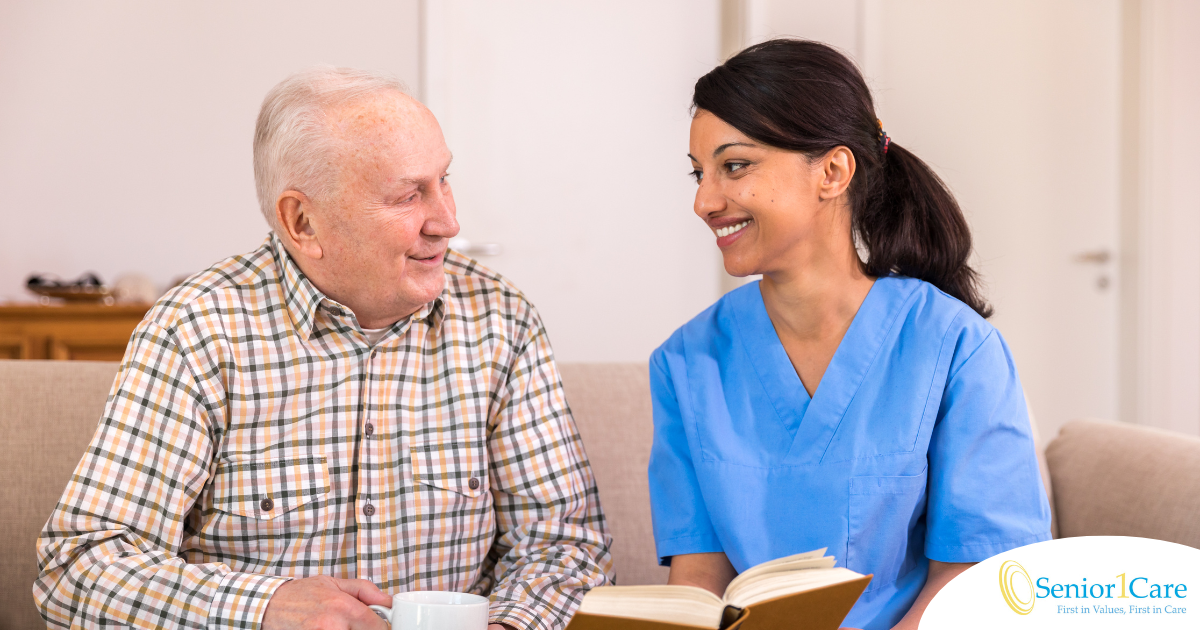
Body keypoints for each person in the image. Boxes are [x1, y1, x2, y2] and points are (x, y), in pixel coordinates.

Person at [34, 67, 613, 630]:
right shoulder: (197, 331)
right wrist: (264, 609)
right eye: (409, 195)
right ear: (302, 221)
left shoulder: (500, 320)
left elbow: (565, 545)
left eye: (444, 180)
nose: (448, 221)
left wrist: (509, 627)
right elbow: (78, 567)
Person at [647, 40, 1051, 630]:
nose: (704, 201)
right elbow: (699, 580)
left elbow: (975, 577)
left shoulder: (955, 349)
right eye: (698, 173)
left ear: (833, 172)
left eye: (734, 166)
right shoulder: (685, 362)